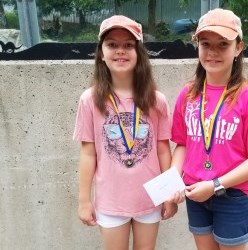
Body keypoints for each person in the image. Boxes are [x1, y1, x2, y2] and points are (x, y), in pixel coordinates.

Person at [170, 8, 248, 250]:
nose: (213, 52)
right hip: (195, 194)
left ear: (238, 48)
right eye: (206, 43)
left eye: (223, 44)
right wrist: (174, 180)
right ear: (196, 45)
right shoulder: (187, 94)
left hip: (233, 196)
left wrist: (216, 185)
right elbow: (183, 144)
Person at [73, 15, 177, 250]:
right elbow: (88, 154)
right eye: (112, 44)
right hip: (111, 201)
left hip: (149, 200)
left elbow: (162, 149)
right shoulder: (89, 100)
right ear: (101, 52)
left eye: (128, 45)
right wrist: (83, 200)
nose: (120, 51)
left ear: (139, 53)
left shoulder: (156, 101)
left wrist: (170, 193)